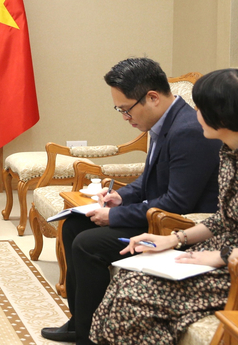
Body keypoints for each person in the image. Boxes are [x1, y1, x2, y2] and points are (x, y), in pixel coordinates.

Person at [41, 57, 221, 345]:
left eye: (126, 110)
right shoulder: (163, 122)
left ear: (152, 98)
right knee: (74, 223)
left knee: (89, 245)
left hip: (177, 224)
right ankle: (81, 322)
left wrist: (115, 217)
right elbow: (150, 179)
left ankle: (91, 335)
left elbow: (177, 202)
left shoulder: (188, 130)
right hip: (159, 212)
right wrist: (120, 196)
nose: (125, 117)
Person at [91, 68, 238, 344]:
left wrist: (220, 256)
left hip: (232, 263)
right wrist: (172, 239)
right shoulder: (228, 152)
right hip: (221, 249)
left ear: (223, 115)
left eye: (201, 107)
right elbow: (225, 218)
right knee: (126, 279)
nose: (195, 114)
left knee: (132, 299)